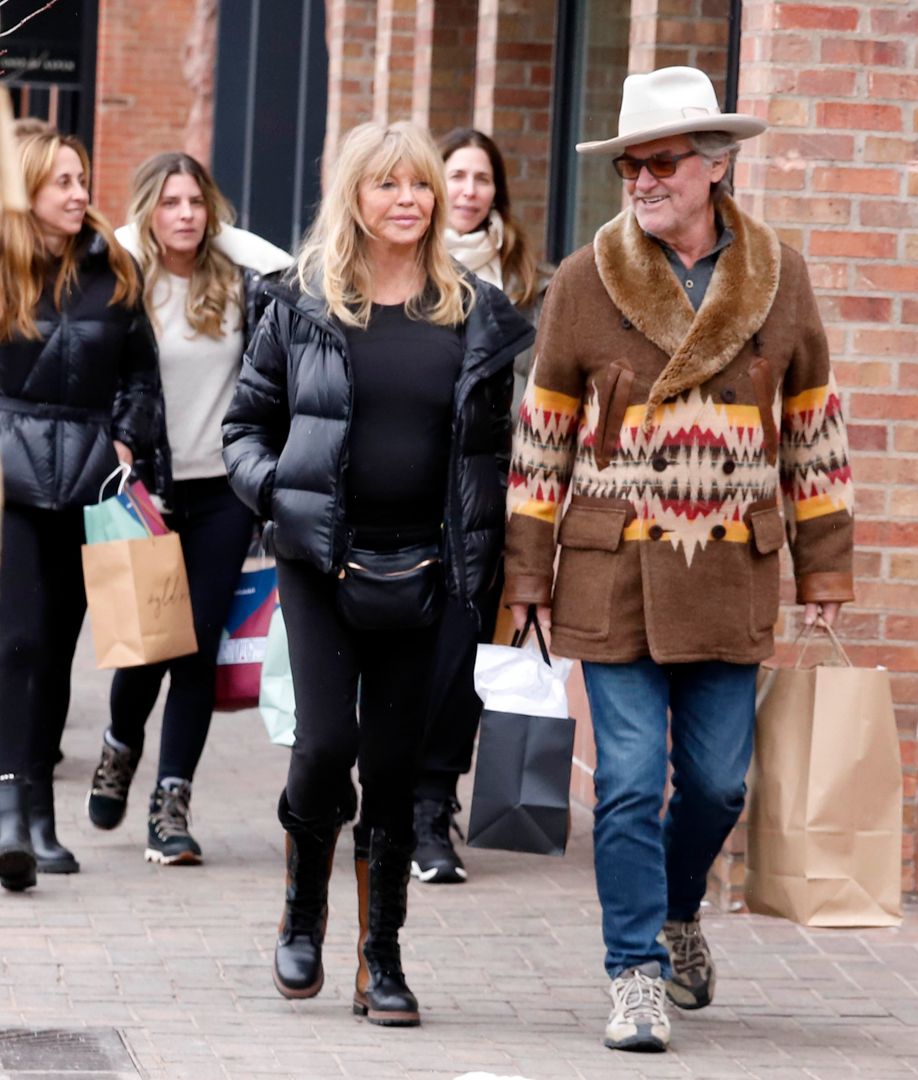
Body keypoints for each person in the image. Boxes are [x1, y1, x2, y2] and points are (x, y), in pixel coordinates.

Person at [503, 66, 855, 1053]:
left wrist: (825, 570)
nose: (643, 180)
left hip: (733, 561)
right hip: (612, 567)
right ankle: (634, 974)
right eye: (629, 165)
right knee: (624, 780)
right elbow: (542, 442)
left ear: (717, 165)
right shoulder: (583, 281)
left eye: (660, 162)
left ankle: (676, 908)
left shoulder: (779, 278)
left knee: (715, 785)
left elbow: (815, 428)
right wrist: (525, 577)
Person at [222, 121, 533, 1025]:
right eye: (388, 185)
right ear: (354, 197)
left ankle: (381, 960)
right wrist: (279, 495)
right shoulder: (302, 304)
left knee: (395, 768)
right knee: (324, 749)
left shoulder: (473, 312)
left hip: (431, 571)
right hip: (323, 562)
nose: (409, 200)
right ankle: (301, 910)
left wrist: (493, 556)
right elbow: (244, 426)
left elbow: (493, 450)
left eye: (422, 186)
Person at [83, 152, 292, 865]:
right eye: (169, 202)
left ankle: (171, 803)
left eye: (196, 202)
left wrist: (222, 236)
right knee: (149, 641)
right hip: (148, 489)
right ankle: (119, 745)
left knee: (196, 640)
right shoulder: (122, 285)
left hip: (223, 490)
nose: (185, 215)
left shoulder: (237, 284)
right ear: (147, 211)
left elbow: (289, 268)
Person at [0, 128, 157, 891]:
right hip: (9, 484)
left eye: (82, 178)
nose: (78, 193)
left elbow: (141, 374)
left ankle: (39, 814)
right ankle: (6, 805)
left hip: (88, 482)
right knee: (19, 641)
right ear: (25, 190)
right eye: (60, 180)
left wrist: (128, 439)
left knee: (59, 650)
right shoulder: (1, 270)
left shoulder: (113, 269)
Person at [409, 128, 549, 885]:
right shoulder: (402, 276)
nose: (467, 190)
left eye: (481, 178)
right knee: (394, 661)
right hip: (401, 499)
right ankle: (380, 799)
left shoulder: (531, 283)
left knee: (462, 663)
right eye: (453, 175)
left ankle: (434, 809)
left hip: (488, 500)